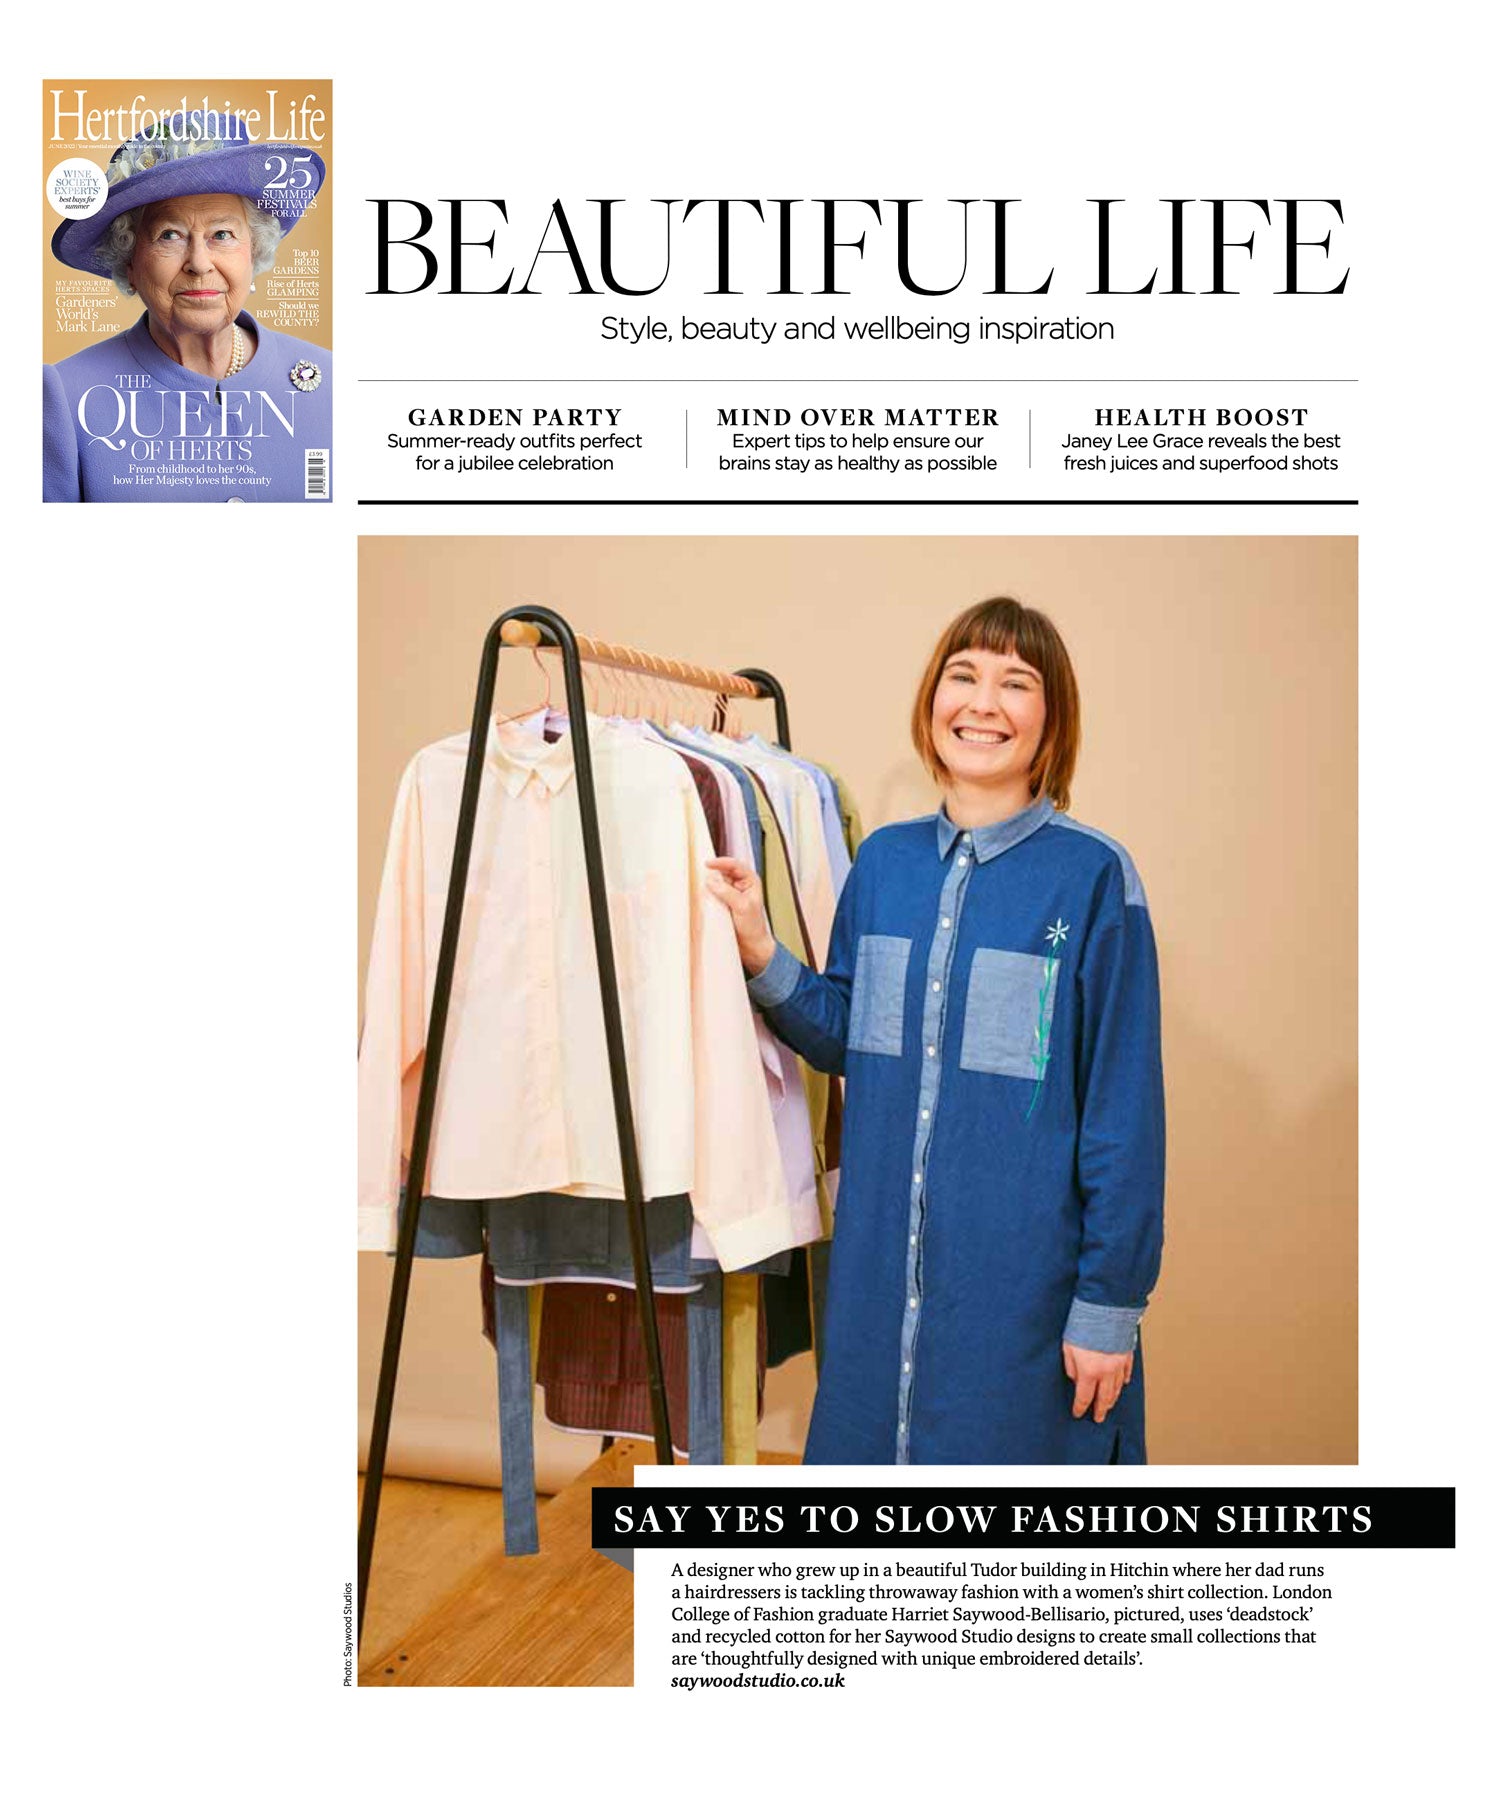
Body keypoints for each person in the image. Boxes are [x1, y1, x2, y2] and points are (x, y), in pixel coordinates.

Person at [707, 596, 1165, 1464]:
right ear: (931, 701)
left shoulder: (1095, 880)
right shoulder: (883, 863)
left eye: (1015, 683)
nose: (982, 702)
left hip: (1021, 1304)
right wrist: (762, 948)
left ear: (1051, 719)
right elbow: (849, 1037)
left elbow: (1123, 1115)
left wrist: (1110, 1305)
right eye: (963, 675)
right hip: (878, 1295)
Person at [44, 112, 331, 502]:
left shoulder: (331, 382)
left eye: (223, 234)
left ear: (254, 250)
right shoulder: (65, 397)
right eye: (170, 235)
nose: (199, 262)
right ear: (129, 258)